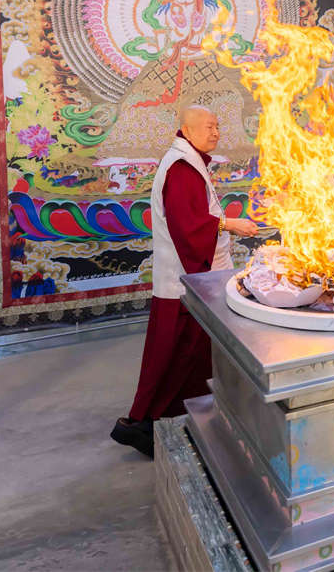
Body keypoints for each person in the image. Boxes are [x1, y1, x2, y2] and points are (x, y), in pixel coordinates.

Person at [110, 106, 258, 457]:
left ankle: (184, 418)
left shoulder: (190, 162)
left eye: (218, 126)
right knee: (175, 358)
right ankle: (143, 424)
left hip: (191, 279)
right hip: (184, 285)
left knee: (188, 357)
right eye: (208, 126)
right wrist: (231, 224)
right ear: (186, 131)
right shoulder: (181, 168)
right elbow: (189, 226)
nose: (216, 132)